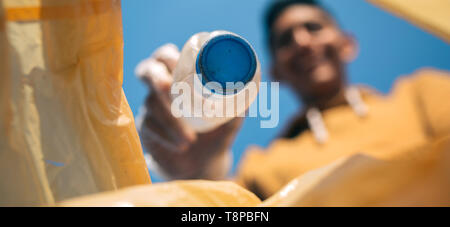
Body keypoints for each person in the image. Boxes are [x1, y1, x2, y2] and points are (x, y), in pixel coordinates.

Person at [136, 0, 450, 200]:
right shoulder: (261, 165)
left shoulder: (421, 94)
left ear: (346, 44)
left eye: (313, 27)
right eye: (285, 40)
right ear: (274, 72)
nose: (301, 42)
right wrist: (197, 172)